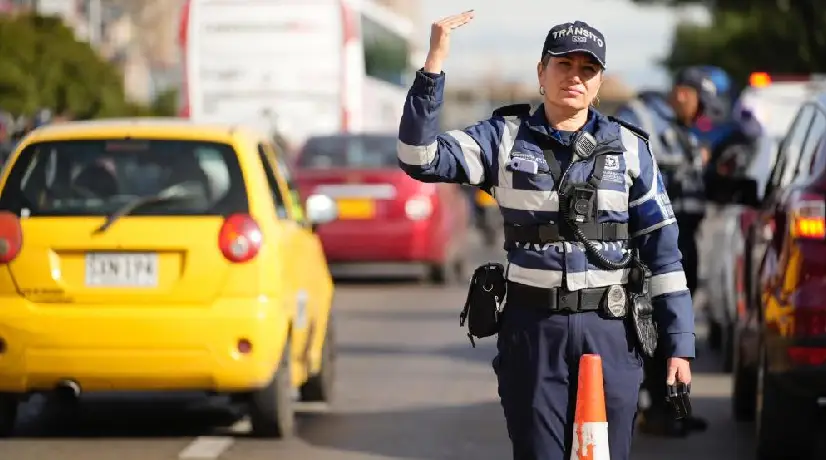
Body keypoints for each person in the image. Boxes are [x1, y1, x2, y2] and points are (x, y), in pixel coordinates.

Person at [397, 12, 695, 460]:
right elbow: (418, 156)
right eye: (563, 65)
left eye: (587, 69)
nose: (574, 77)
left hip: (610, 333)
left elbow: (665, 257)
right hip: (533, 333)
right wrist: (434, 65)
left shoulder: (631, 148)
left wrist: (680, 346)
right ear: (541, 72)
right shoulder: (502, 138)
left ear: (598, 83)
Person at [614, 67, 722, 437]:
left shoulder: (680, 130)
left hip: (681, 243)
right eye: (701, 104)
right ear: (683, 93)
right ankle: (655, 411)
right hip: (650, 248)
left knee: (677, 329)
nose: (702, 114)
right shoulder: (638, 119)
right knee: (654, 331)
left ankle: (675, 408)